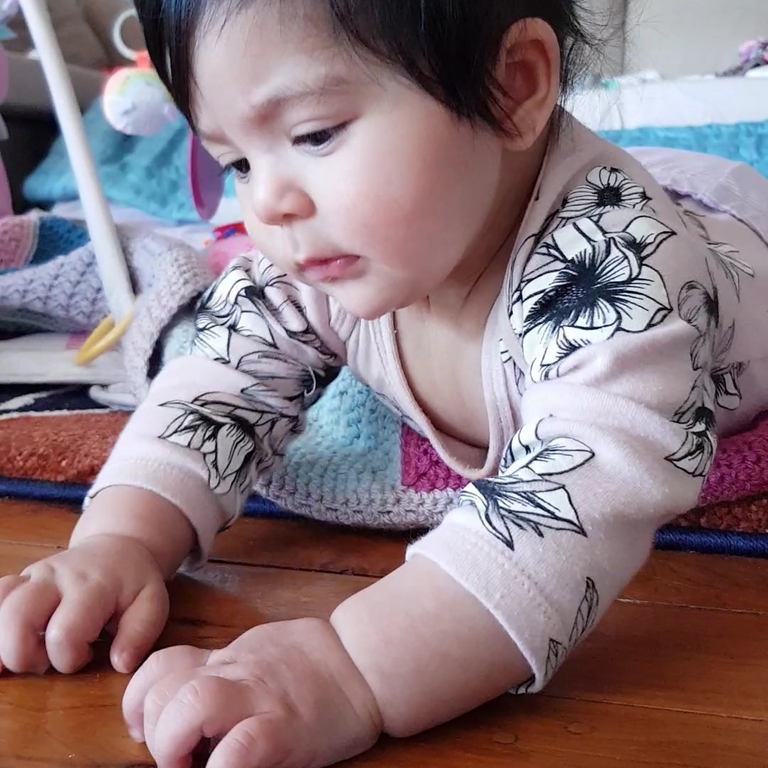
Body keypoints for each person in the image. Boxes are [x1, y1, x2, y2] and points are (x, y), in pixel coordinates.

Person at [3, 0, 768, 766]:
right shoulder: (318, 251)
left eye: (313, 135)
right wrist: (120, 541)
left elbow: (575, 507)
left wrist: (351, 669)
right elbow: (219, 376)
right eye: (238, 161)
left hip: (733, 232)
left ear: (512, 86)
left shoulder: (619, 275)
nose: (269, 202)